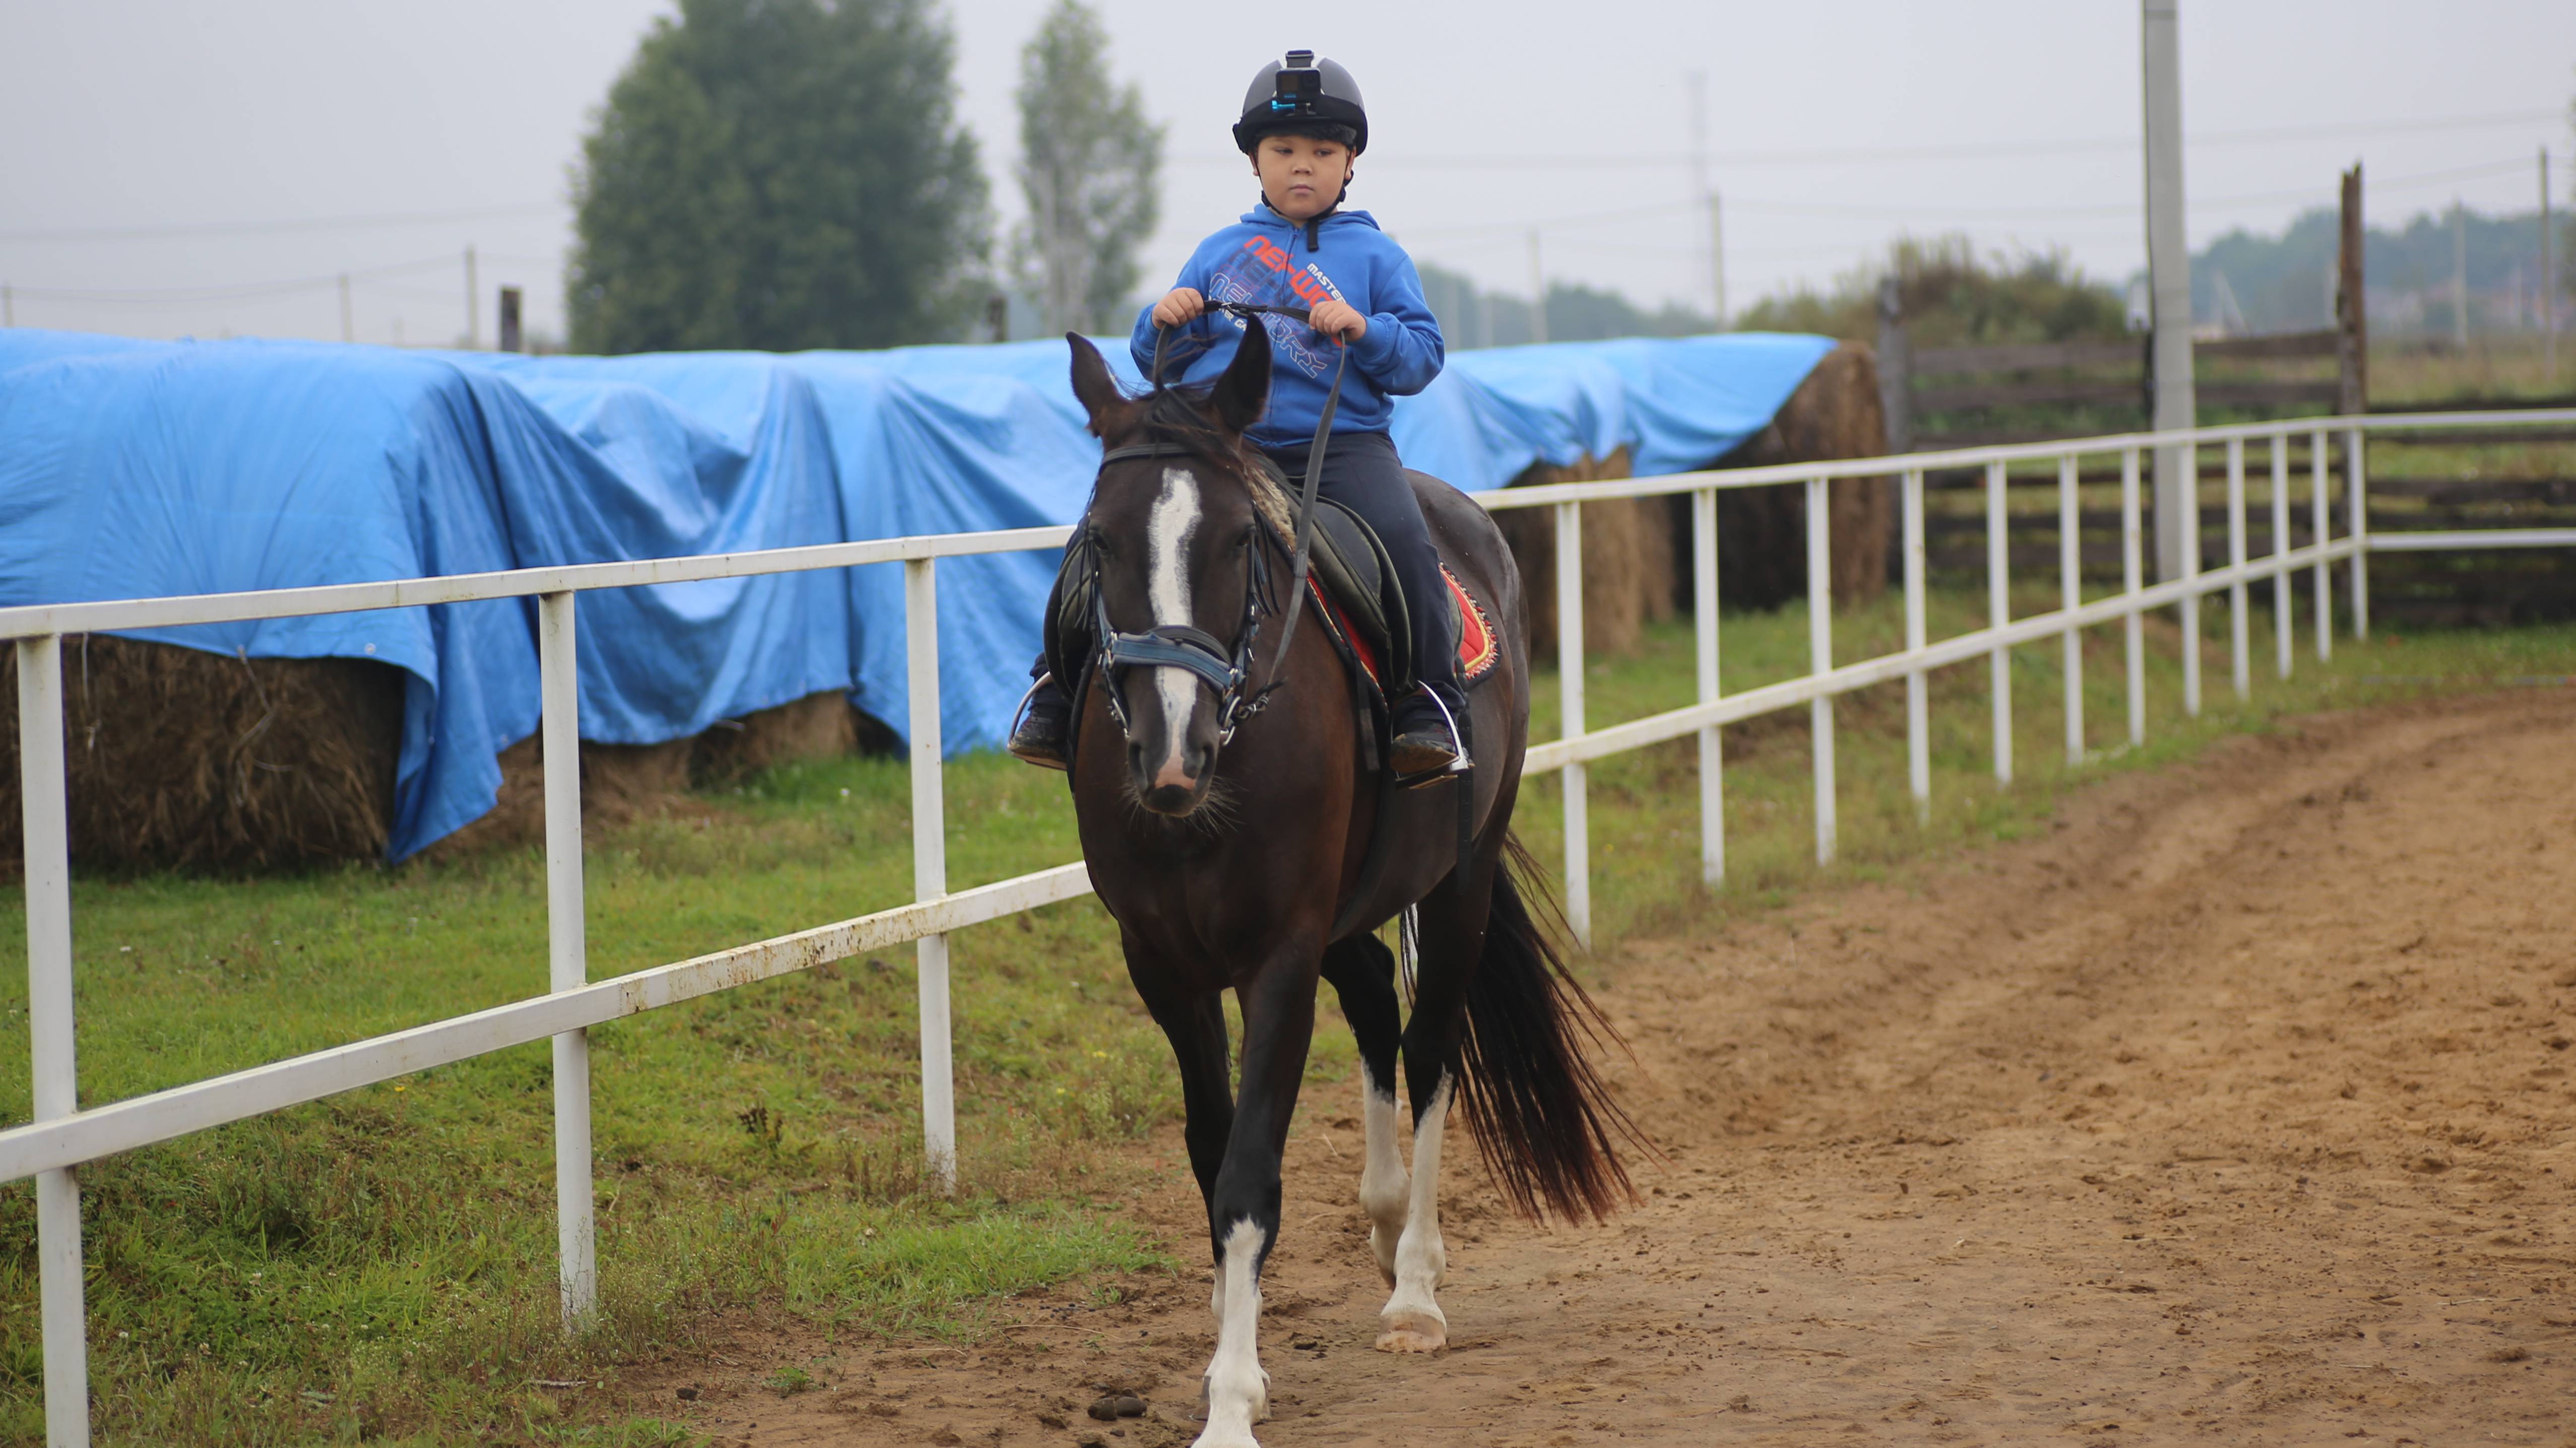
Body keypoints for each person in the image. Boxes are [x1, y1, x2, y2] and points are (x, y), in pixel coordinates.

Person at [1009, 48, 1466, 780]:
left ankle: (1430, 705)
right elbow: (1151, 361)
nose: (1303, 166)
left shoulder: (1379, 258)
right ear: (1255, 162)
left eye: (1324, 151)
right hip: (1223, 448)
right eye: (1283, 150)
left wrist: (1363, 328)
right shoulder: (1220, 253)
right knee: (1104, 532)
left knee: (1408, 546)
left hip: (1343, 450)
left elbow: (1422, 357)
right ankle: (1054, 691)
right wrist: (1164, 320)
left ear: (1351, 164)